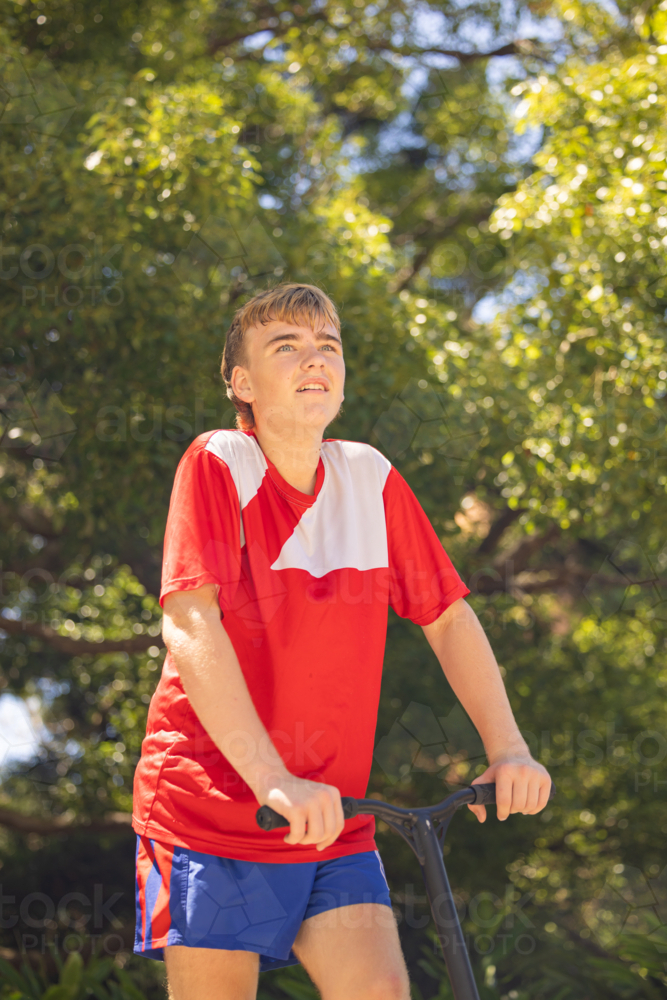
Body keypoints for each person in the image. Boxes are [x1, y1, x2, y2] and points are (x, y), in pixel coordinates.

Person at [132, 283, 551, 1000]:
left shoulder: (369, 476)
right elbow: (189, 619)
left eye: (327, 344)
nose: (313, 357)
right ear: (241, 382)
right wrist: (271, 778)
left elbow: (447, 618)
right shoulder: (220, 461)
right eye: (284, 346)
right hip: (213, 810)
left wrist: (507, 748)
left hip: (334, 814)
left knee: (381, 991)